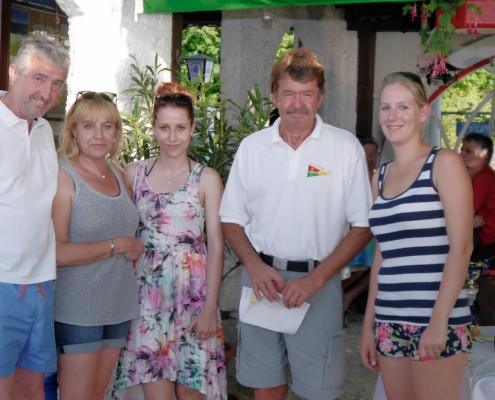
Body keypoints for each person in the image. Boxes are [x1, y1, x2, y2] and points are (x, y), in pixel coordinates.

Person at [220, 48, 372, 400]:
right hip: (262, 283)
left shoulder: (344, 148)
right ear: (274, 95)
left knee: (319, 390)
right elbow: (231, 218)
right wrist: (255, 266)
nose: (297, 104)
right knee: (265, 385)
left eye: (307, 94)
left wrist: (317, 279)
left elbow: (363, 226)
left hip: (318, 283)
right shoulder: (252, 148)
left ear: (320, 97)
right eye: (289, 93)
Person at [360, 72, 473, 400]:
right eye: (386, 107)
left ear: (423, 113)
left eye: (403, 107)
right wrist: (369, 325)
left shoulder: (444, 163)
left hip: (437, 318)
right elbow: (382, 255)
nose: (392, 116)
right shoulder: (380, 177)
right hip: (389, 320)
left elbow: (461, 248)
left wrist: (438, 321)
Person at [114, 82, 227, 400]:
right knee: (156, 392)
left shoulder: (207, 179)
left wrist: (210, 308)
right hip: (146, 299)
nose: (172, 137)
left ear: (192, 127)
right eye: (164, 127)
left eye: (180, 127)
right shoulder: (132, 174)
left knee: (192, 391)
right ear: (153, 127)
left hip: (195, 297)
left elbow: (217, 246)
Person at [51, 91, 144, 399]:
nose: (99, 135)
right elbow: (57, 252)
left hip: (118, 304)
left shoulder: (118, 172)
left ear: (116, 132)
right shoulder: (63, 175)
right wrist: (117, 245)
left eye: (107, 126)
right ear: (73, 131)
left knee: (97, 393)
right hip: (78, 308)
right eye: (88, 125)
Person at [0, 34, 69, 400]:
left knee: (32, 390)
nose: (47, 92)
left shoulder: (43, 130)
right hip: (2, 283)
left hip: (41, 284)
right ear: (14, 72)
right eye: (39, 78)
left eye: (57, 83)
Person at [342, 136, 379, 324]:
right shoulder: (348, 176)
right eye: (367, 154)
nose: (371, 158)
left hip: (373, 233)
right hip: (353, 232)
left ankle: (347, 298)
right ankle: (339, 296)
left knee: (377, 266)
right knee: (358, 268)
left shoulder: (379, 177)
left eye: (374, 154)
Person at [460, 132, 495, 325]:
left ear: (483, 155)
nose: (462, 154)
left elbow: (463, 214)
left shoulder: (483, 178)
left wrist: (469, 217)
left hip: (489, 245)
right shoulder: (479, 176)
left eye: (468, 151)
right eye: (462, 150)